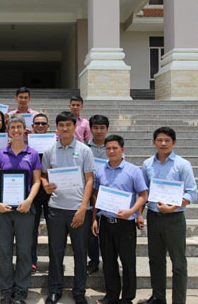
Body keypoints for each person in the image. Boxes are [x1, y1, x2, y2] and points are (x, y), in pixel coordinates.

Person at [138, 127, 198, 304]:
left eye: (167, 140)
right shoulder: (147, 164)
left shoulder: (182, 165)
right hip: (154, 217)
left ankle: (178, 301)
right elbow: (144, 192)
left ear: (174, 143)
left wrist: (173, 207)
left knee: (178, 263)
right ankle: (158, 297)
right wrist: (139, 214)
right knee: (155, 260)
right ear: (154, 142)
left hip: (174, 219)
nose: (163, 143)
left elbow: (191, 193)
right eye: (159, 140)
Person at [41, 111, 95, 304]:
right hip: (56, 208)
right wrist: (45, 184)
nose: (65, 128)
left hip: (79, 209)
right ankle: (55, 289)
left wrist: (82, 208)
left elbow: (89, 180)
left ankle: (79, 291)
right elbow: (44, 175)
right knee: (56, 250)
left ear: (75, 127)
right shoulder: (49, 151)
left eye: (69, 125)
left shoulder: (84, 150)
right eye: (61, 125)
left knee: (81, 252)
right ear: (57, 128)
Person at [91, 135, 148, 304]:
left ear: (122, 150)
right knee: (108, 261)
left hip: (125, 223)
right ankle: (112, 295)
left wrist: (133, 211)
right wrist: (94, 218)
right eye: (108, 148)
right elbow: (96, 195)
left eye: (115, 148)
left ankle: (128, 297)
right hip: (106, 223)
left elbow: (143, 195)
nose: (111, 151)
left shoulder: (133, 170)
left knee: (128, 261)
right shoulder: (100, 170)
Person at [0, 115, 42, 304]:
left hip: (24, 209)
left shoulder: (33, 154)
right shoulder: (1, 154)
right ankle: (6, 290)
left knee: (23, 251)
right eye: (12, 127)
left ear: (25, 129)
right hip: (3, 210)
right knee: (4, 250)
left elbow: (37, 181)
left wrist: (29, 200)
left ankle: (21, 290)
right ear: (8, 130)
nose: (16, 130)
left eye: (19, 127)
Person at [85, 114, 110, 276]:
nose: (99, 131)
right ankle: (93, 261)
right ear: (91, 129)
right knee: (91, 231)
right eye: (95, 127)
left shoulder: (112, 147)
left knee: (107, 231)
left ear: (107, 129)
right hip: (90, 194)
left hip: (109, 196)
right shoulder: (85, 148)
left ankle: (108, 261)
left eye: (102, 128)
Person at [30, 113, 51, 274]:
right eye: (37, 123)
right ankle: (32, 261)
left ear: (48, 126)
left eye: (43, 123)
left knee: (54, 229)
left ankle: (55, 262)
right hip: (33, 191)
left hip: (52, 191)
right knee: (32, 229)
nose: (40, 126)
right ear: (32, 127)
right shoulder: (27, 147)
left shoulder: (55, 145)